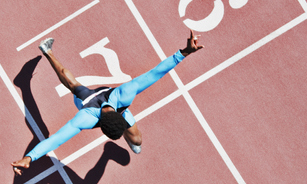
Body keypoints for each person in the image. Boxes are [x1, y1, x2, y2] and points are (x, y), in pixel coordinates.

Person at [11, 30, 203, 175]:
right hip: (86, 103)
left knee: (136, 141)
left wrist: (184, 52)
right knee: (72, 85)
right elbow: (56, 139)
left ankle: (29, 76)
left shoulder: (125, 95)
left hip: (115, 105)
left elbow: (155, 74)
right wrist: (30, 157)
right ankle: (47, 51)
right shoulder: (85, 117)